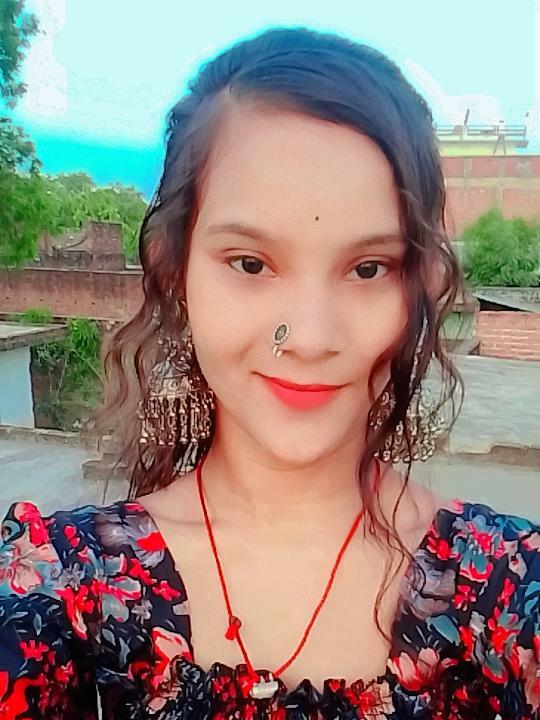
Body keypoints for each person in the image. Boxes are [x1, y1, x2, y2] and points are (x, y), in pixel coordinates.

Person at [0, 25, 538, 720]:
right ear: (175, 271)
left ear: (420, 286)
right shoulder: (56, 591)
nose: (308, 339)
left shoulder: (508, 590)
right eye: (251, 264)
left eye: (367, 269)